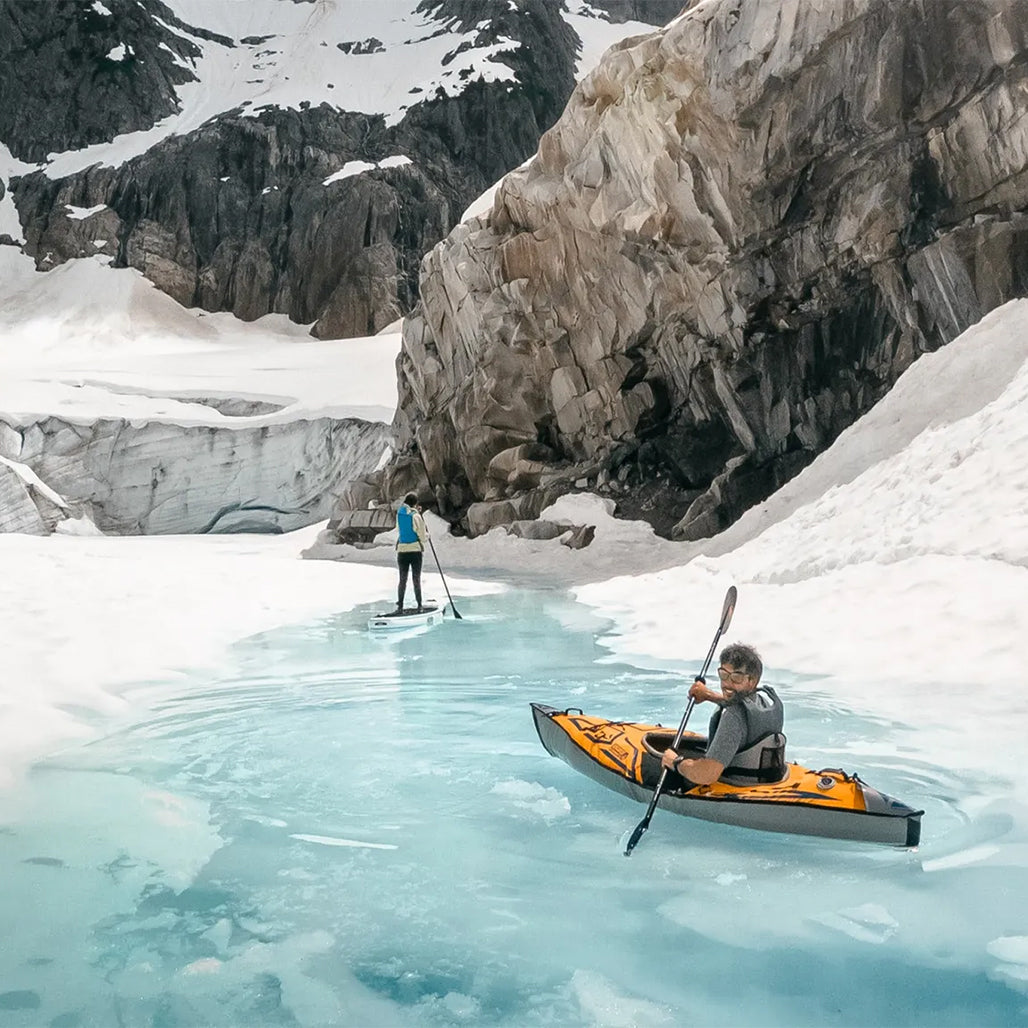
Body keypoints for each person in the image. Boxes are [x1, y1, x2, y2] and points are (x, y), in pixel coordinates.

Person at [660, 643, 785, 787]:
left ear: (752, 681)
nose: (726, 684)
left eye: (736, 678)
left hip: (735, 785)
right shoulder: (765, 703)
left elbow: (707, 775)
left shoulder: (733, 718)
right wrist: (708, 695)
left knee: (657, 764)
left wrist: (676, 762)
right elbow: (738, 704)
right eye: (723, 675)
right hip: (763, 779)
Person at [395, 492, 428, 612]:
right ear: (415, 504)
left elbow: (399, 529)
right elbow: (423, 537)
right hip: (415, 551)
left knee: (402, 579)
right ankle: (419, 605)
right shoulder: (416, 516)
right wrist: (427, 535)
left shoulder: (399, 514)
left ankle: (400, 606)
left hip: (402, 551)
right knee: (416, 578)